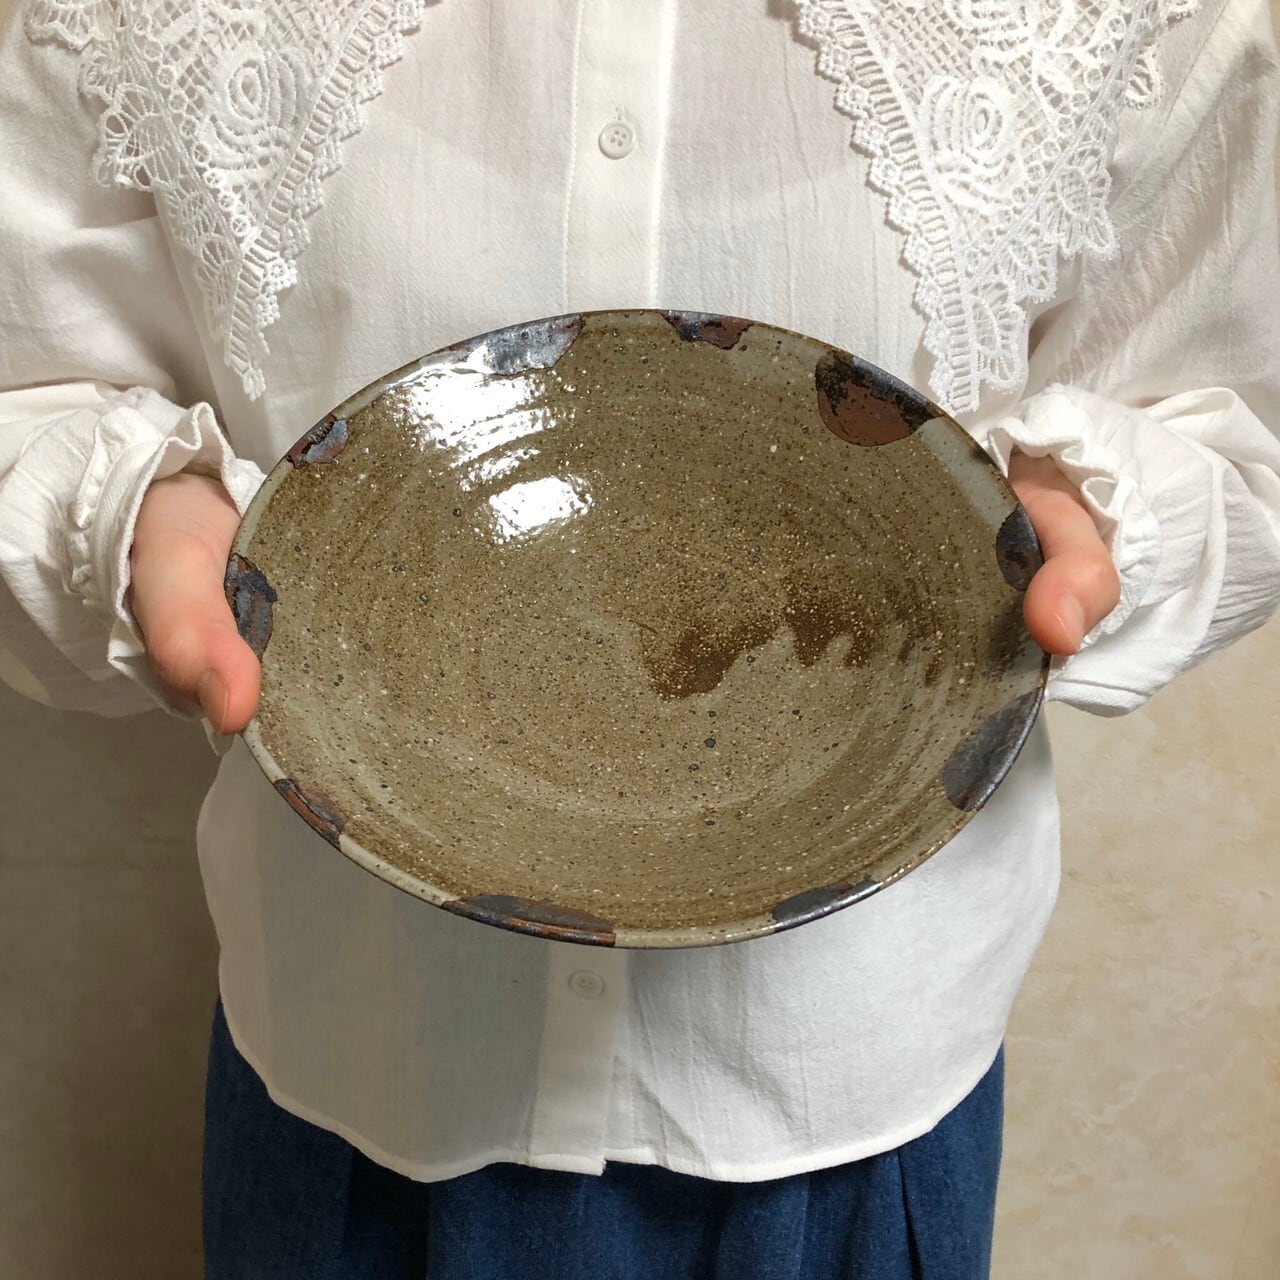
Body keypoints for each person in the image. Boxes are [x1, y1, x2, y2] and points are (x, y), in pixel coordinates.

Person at [2, 1, 1279, 1276]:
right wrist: (139, 518)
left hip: (841, 1098)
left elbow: (1227, 416)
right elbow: (32, 385)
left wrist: (1074, 510)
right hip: (359, 1056)